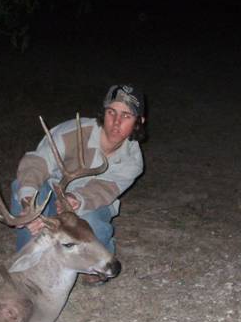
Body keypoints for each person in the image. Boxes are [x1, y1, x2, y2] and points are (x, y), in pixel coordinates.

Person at [10, 84, 146, 263]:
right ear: (104, 113)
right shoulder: (73, 132)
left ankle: (100, 254)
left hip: (89, 203)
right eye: (111, 112)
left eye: (126, 116)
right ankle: (28, 261)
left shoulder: (132, 160)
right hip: (51, 196)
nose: (116, 122)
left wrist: (78, 198)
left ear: (139, 121)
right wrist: (28, 205)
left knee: (92, 225)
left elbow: (105, 189)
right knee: (22, 188)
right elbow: (37, 163)